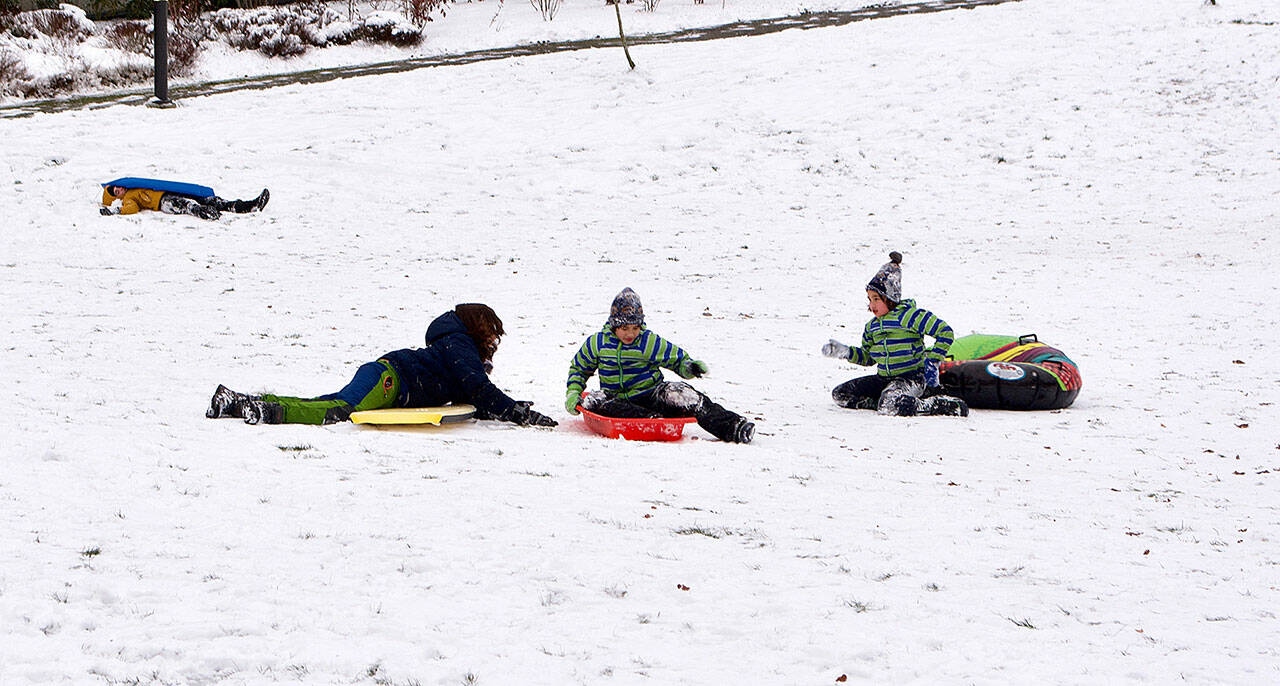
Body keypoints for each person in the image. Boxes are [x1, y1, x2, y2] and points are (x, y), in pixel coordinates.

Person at [206, 303, 557, 427]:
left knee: (324, 404)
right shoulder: (458, 343)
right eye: (490, 334)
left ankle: (237, 402)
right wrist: (516, 413)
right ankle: (267, 413)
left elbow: (472, 394)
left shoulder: (455, 347)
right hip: (389, 380)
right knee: (339, 410)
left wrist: (505, 408)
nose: (493, 343)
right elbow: (476, 385)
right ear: (477, 328)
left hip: (386, 380)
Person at [564, 288, 755, 444]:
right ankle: (653, 420)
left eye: (635, 328)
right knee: (593, 400)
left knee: (681, 393)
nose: (630, 334)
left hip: (652, 394)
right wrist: (573, 392)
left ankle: (733, 426)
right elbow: (579, 369)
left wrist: (688, 366)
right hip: (619, 401)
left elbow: (676, 358)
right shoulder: (598, 343)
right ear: (614, 325)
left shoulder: (648, 342)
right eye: (624, 329)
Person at [822, 251, 970, 417]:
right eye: (870, 299)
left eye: (876, 299)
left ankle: (940, 405)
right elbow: (868, 357)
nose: (872, 305)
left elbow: (945, 332)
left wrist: (933, 359)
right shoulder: (872, 327)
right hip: (883, 379)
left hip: (911, 378)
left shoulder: (910, 316)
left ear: (890, 297)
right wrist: (846, 352)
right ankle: (889, 402)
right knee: (840, 394)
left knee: (889, 405)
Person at [100, 183, 268, 220]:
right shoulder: (128, 198)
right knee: (189, 205)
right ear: (118, 196)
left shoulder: (134, 184)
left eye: (118, 187)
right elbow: (131, 209)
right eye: (116, 191)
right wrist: (116, 211)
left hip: (169, 191)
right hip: (163, 202)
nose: (119, 189)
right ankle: (208, 214)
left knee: (212, 200)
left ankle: (249, 206)